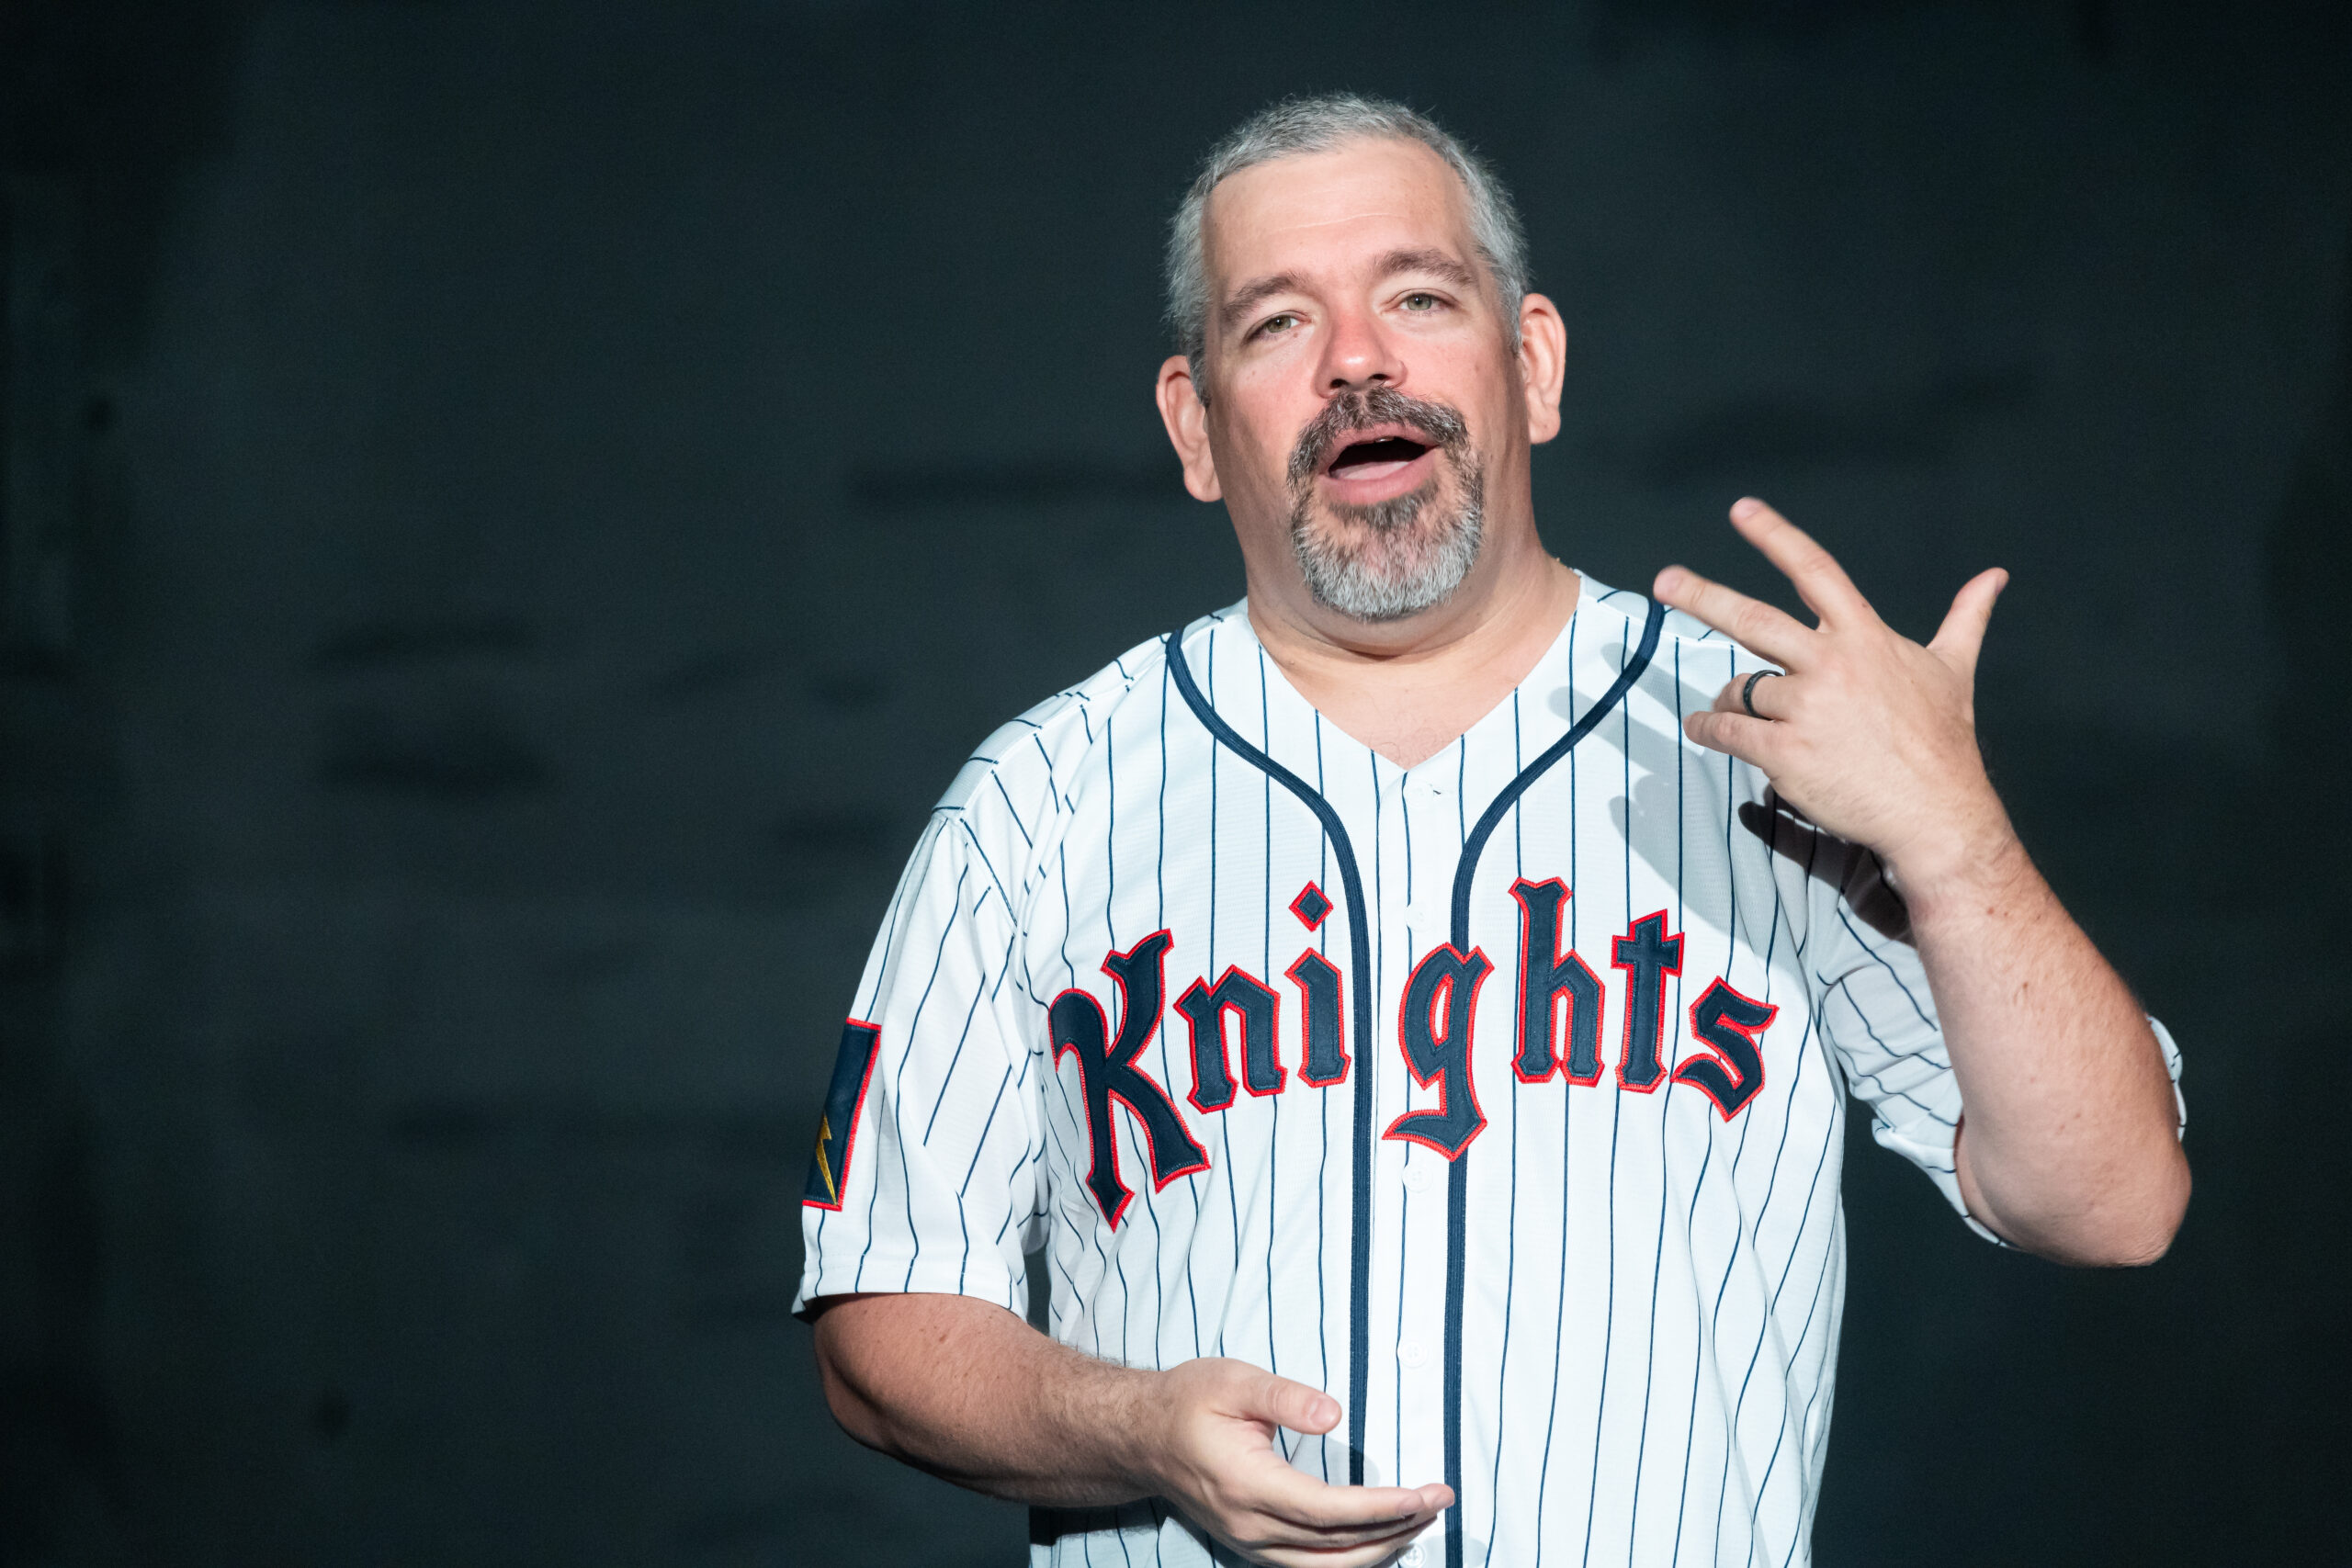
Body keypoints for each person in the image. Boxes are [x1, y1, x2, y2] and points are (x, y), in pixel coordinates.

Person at [795, 95, 2188, 1568]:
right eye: (1276, 323)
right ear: (1196, 428)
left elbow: (2112, 1202)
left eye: (1417, 294)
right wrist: (1130, 1425)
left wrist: (1956, 837)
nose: (1357, 358)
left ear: (1533, 364)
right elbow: (880, 1322)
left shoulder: (1781, 750)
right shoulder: (1037, 804)